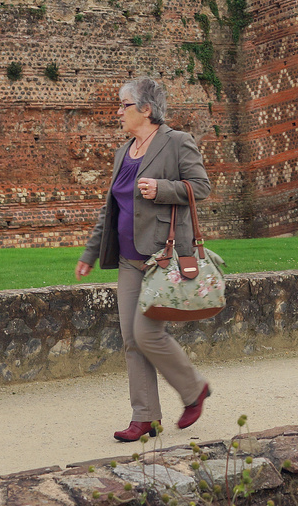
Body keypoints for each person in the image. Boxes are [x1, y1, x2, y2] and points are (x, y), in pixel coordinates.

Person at [76, 76, 212, 441]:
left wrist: (163, 189)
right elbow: (111, 210)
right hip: (127, 260)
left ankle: (194, 388)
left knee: (147, 335)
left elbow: (201, 187)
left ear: (146, 110)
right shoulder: (124, 151)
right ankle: (145, 417)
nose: (118, 112)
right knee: (131, 340)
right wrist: (90, 253)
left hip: (162, 259)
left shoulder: (177, 142)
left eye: (124, 105)